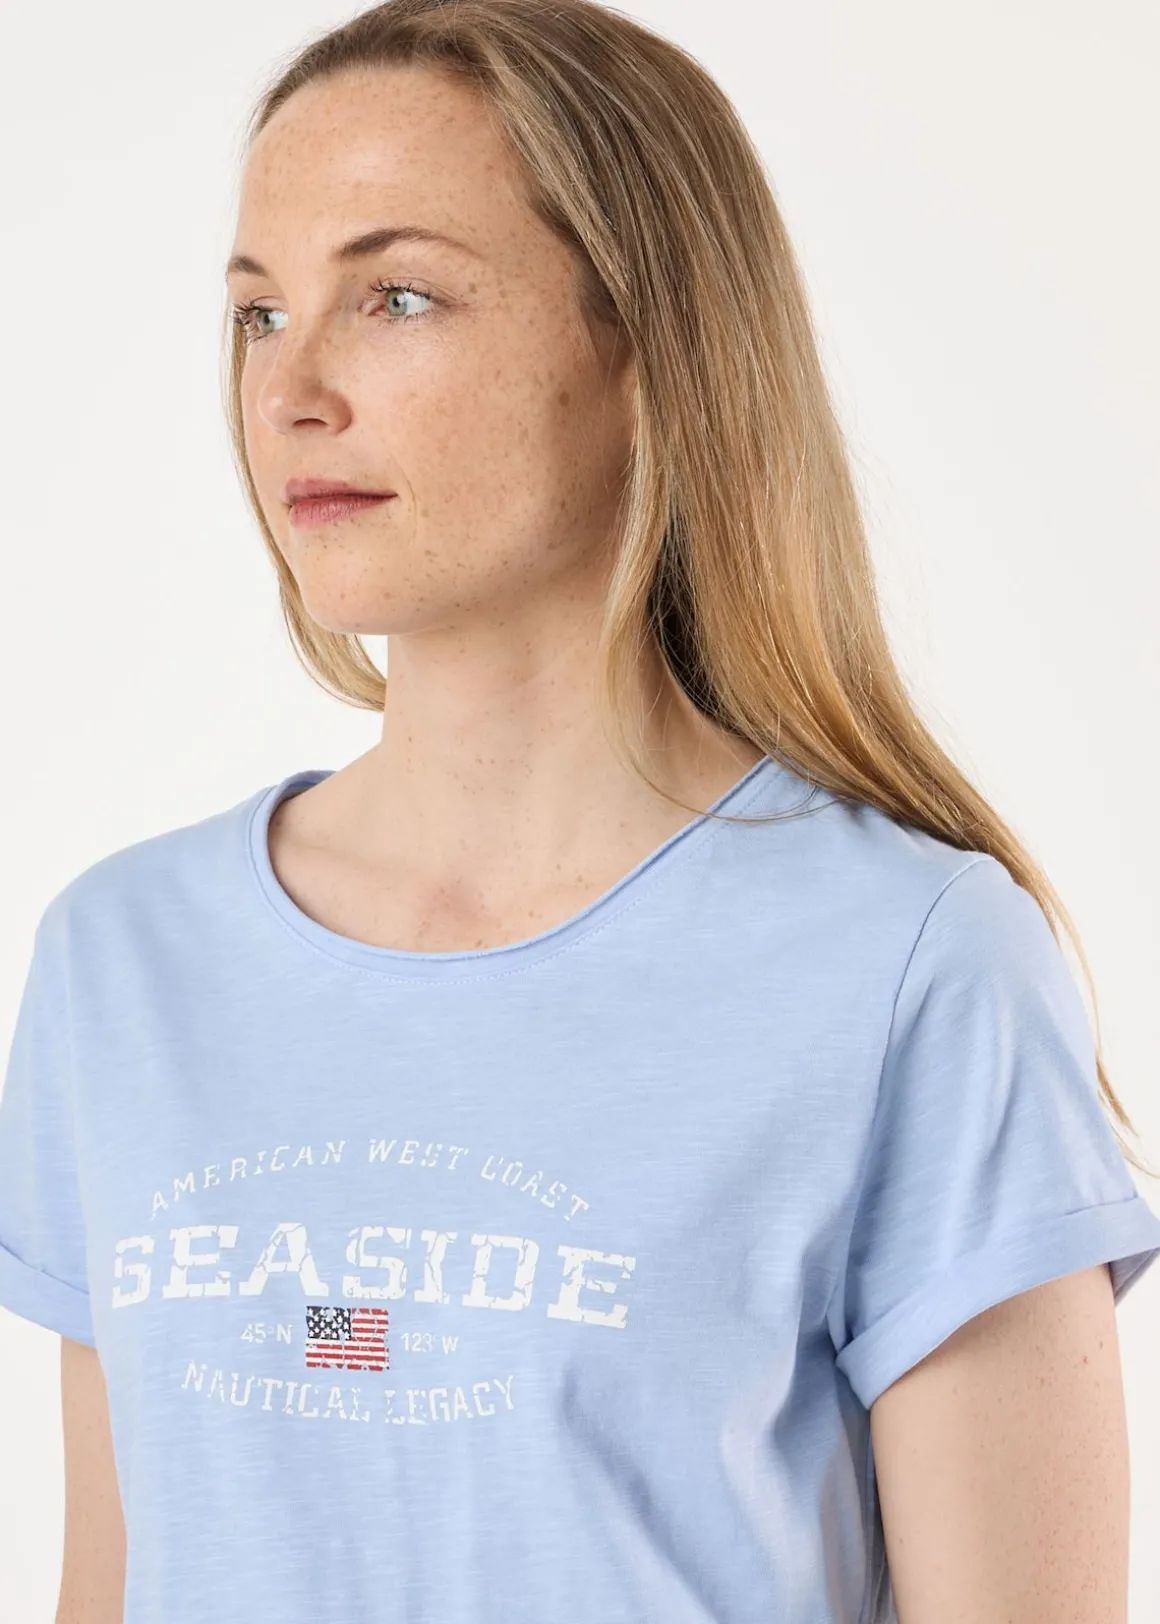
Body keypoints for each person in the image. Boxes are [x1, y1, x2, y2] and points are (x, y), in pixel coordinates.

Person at [2, 1, 1158, 1620]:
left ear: (646, 346)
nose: (291, 392)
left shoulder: (910, 964)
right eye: (260, 314)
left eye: (396, 296)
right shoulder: (124, 964)